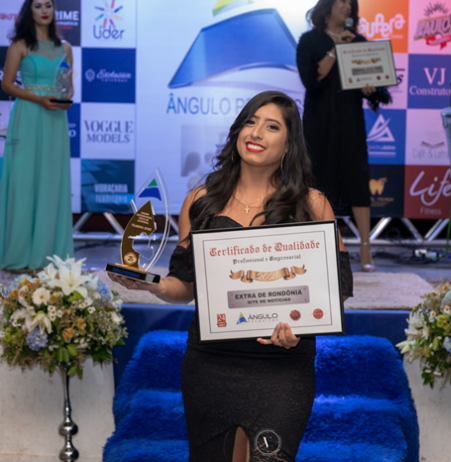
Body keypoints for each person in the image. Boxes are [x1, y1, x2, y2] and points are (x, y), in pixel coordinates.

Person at [109, 91, 354, 462]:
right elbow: (185, 286)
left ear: (289, 144)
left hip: (283, 368)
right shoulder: (200, 200)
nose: (256, 132)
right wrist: (150, 282)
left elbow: (338, 287)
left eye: (271, 126)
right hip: (210, 364)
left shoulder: (312, 204)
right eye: (250, 122)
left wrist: (303, 327)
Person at [296, 0, 391, 272]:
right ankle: (318, 248)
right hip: (319, 123)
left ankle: (365, 248)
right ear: (327, 6)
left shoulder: (359, 42)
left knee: (357, 181)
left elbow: (380, 90)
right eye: (342, 1)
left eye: (351, 3)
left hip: (350, 122)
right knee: (317, 182)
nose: (347, 6)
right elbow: (311, 80)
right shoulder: (309, 41)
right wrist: (337, 48)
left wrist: (371, 87)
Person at [0, 0, 73, 270]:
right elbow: (7, 84)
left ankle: (48, 256)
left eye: (49, 5)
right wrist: (39, 99)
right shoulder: (20, 44)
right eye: (38, 5)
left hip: (55, 120)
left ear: (54, 11)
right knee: (24, 182)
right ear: (29, 11)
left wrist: (65, 98)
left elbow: (68, 88)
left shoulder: (65, 47)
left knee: (51, 184)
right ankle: (19, 254)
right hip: (28, 117)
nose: (44, 10)